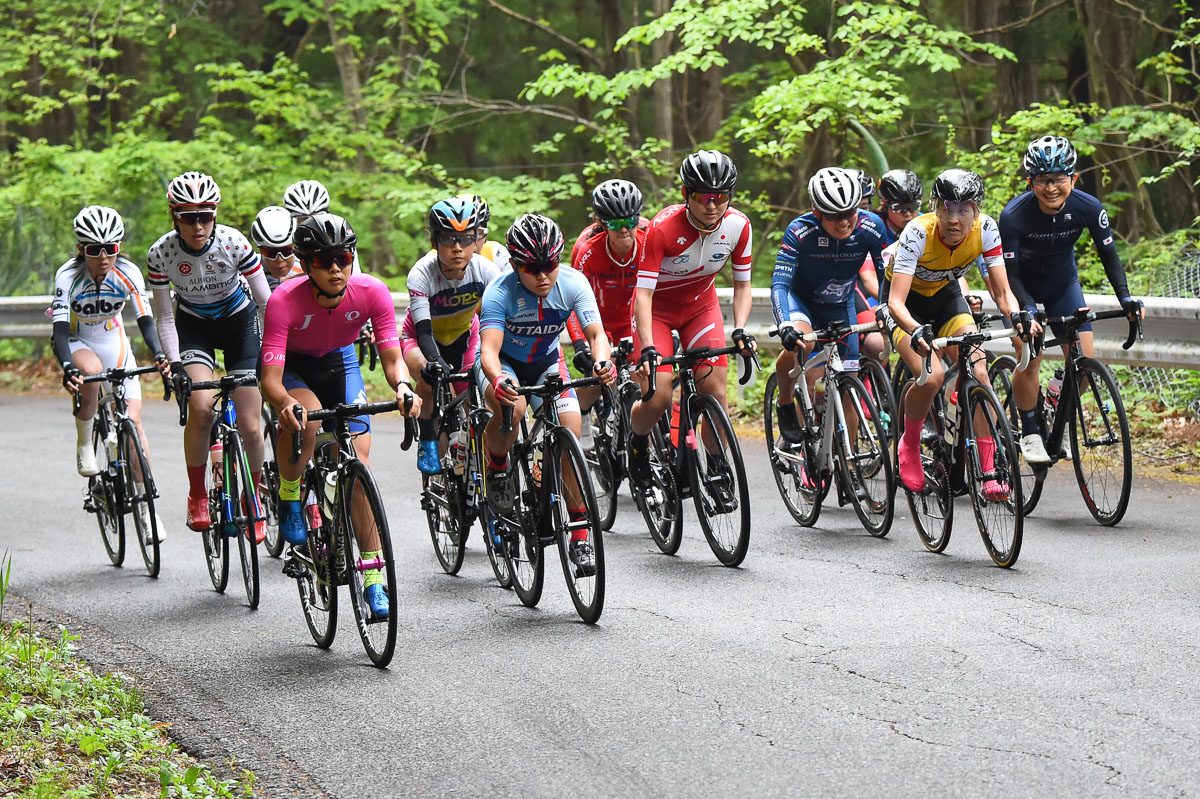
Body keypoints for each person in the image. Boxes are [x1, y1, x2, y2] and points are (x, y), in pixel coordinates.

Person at [260, 213, 420, 619]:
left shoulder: (372, 291)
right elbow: (271, 380)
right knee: (308, 417)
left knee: (358, 472)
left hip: (340, 364)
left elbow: (391, 358)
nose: (335, 268)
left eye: (344, 258)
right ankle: (291, 496)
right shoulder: (284, 300)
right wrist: (285, 405)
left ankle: (373, 578)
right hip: (295, 368)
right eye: (323, 261)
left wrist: (402, 387)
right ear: (306, 264)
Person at [476, 213, 614, 577]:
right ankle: (498, 467)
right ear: (516, 264)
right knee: (515, 408)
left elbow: (597, 334)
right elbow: (489, 350)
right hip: (503, 364)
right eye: (532, 268)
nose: (542, 276)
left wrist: (602, 362)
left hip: (546, 363)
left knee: (569, 426)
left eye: (549, 265)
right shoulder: (499, 292)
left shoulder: (572, 282)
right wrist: (497, 380)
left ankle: (580, 536)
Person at [884, 168, 1028, 499]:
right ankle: (908, 441)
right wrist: (915, 330)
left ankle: (989, 466)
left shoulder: (987, 229)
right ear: (936, 207)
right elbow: (895, 301)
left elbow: (1003, 293)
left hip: (946, 299)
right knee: (931, 377)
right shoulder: (918, 232)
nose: (954, 218)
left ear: (976, 211)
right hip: (906, 305)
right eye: (947, 208)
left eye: (964, 210)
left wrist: (1018, 317)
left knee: (979, 369)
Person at [999, 135, 1143, 464]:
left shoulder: (1088, 207)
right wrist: (1028, 309)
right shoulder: (1013, 216)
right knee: (1029, 356)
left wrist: (1126, 299)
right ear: (1030, 182)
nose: (1051, 188)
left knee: (1084, 364)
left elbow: (1110, 256)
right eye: (1042, 180)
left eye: (1059, 179)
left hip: (1063, 284)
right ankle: (1031, 431)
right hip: (1024, 289)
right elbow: (1011, 273)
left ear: (1073, 179)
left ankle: (1057, 410)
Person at [147, 171, 270, 534]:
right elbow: (164, 316)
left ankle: (253, 496)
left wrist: (269, 353)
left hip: (239, 322)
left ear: (214, 214)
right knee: (201, 408)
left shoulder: (235, 243)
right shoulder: (161, 253)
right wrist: (174, 365)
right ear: (175, 217)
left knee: (250, 423)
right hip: (194, 326)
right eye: (188, 217)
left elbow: (265, 303)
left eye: (205, 215)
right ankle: (198, 493)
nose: (198, 225)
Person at [627, 150, 757, 484]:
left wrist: (740, 327)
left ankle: (716, 467)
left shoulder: (739, 226)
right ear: (686, 194)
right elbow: (643, 293)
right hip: (656, 310)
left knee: (714, 390)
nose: (712, 205)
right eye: (702, 196)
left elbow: (743, 287)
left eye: (721, 197)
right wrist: (646, 348)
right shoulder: (662, 228)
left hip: (700, 308)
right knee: (659, 397)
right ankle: (638, 443)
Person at [52, 206, 170, 537]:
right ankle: (84, 444)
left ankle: (147, 508)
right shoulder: (68, 276)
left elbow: (146, 322)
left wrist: (159, 354)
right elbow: (60, 332)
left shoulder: (129, 272)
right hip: (77, 340)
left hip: (112, 338)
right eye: (94, 250)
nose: (103, 257)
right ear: (81, 250)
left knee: (133, 423)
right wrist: (65, 365)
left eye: (111, 248)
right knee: (90, 373)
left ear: (119, 246)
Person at [771, 168, 885, 445]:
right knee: (802, 345)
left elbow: (886, 277)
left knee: (850, 385)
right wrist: (785, 324)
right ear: (817, 212)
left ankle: (851, 462)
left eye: (850, 213)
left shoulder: (871, 227)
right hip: (802, 300)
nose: (845, 222)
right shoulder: (800, 230)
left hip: (840, 303)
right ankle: (785, 401)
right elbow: (780, 285)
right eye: (835, 216)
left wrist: (886, 308)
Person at [402, 197, 501, 474]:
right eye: (448, 239)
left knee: (473, 393)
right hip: (419, 339)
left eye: (466, 239)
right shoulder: (422, 273)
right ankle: (429, 439)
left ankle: (471, 453)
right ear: (434, 242)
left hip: (463, 337)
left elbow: (496, 320)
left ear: (475, 240)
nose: (457, 248)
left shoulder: (486, 271)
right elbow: (422, 331)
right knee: (427, 377)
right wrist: (433, 359)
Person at [566, 178, 649, 414]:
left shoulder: (649, 240)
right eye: (615, 223)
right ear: (602, 223)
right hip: (598, 322)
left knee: (643, 377)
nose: (624, 229)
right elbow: (573, 301)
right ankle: (580, 420)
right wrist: (580, 344)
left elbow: (663, 289)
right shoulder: (587, 249)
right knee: (599, 377)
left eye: (630, 221)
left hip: (632, 319)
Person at [454, 193, 511, 269]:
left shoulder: (494, 253)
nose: (471, 244)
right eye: (464, 236)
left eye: (478, 234)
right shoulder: (435, 258)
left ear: (486, 235)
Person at [251, 206, 301, 287]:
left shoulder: (306, 270)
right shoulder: (248, 271)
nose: (279, 259)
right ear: (259, 250)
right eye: (271, 253)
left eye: (287, 251)